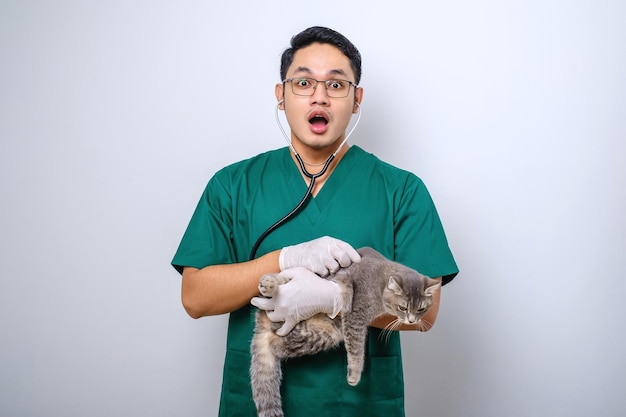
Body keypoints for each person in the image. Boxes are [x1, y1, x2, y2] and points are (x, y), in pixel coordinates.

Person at [172, 26, 458, 417]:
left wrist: (336, 301)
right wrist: (283, 259)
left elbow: (428, 311)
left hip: (361, 406)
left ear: (357, 100)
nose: (319, 96)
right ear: (281, 94)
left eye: (337, 86)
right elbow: (195, 297)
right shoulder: (232, 186)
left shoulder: (401, 190)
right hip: (255, 402)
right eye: (304, 82)